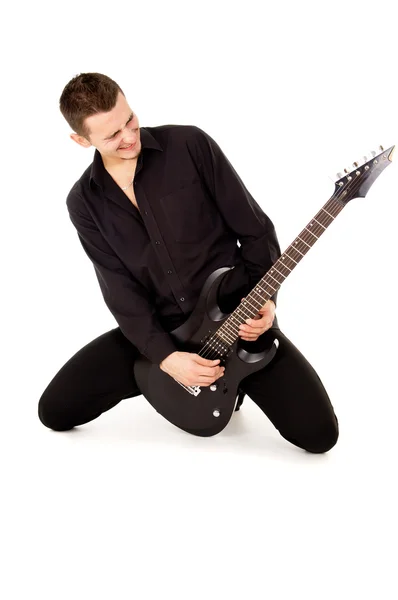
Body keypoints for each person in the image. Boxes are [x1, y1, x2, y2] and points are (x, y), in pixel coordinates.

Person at [38, 72, 339, 453]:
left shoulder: (189, 145)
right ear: (81, 140)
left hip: (237, 322)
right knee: (55, 410)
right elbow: (120, 290)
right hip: (164, 334)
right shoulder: (84, 203)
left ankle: (236, 385)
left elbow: (256, 231)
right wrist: (165, 360)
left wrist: (268, 300)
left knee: (319, 435)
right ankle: (160, 385)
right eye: (112, 136)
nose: (129, 137)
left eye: (129, 119)